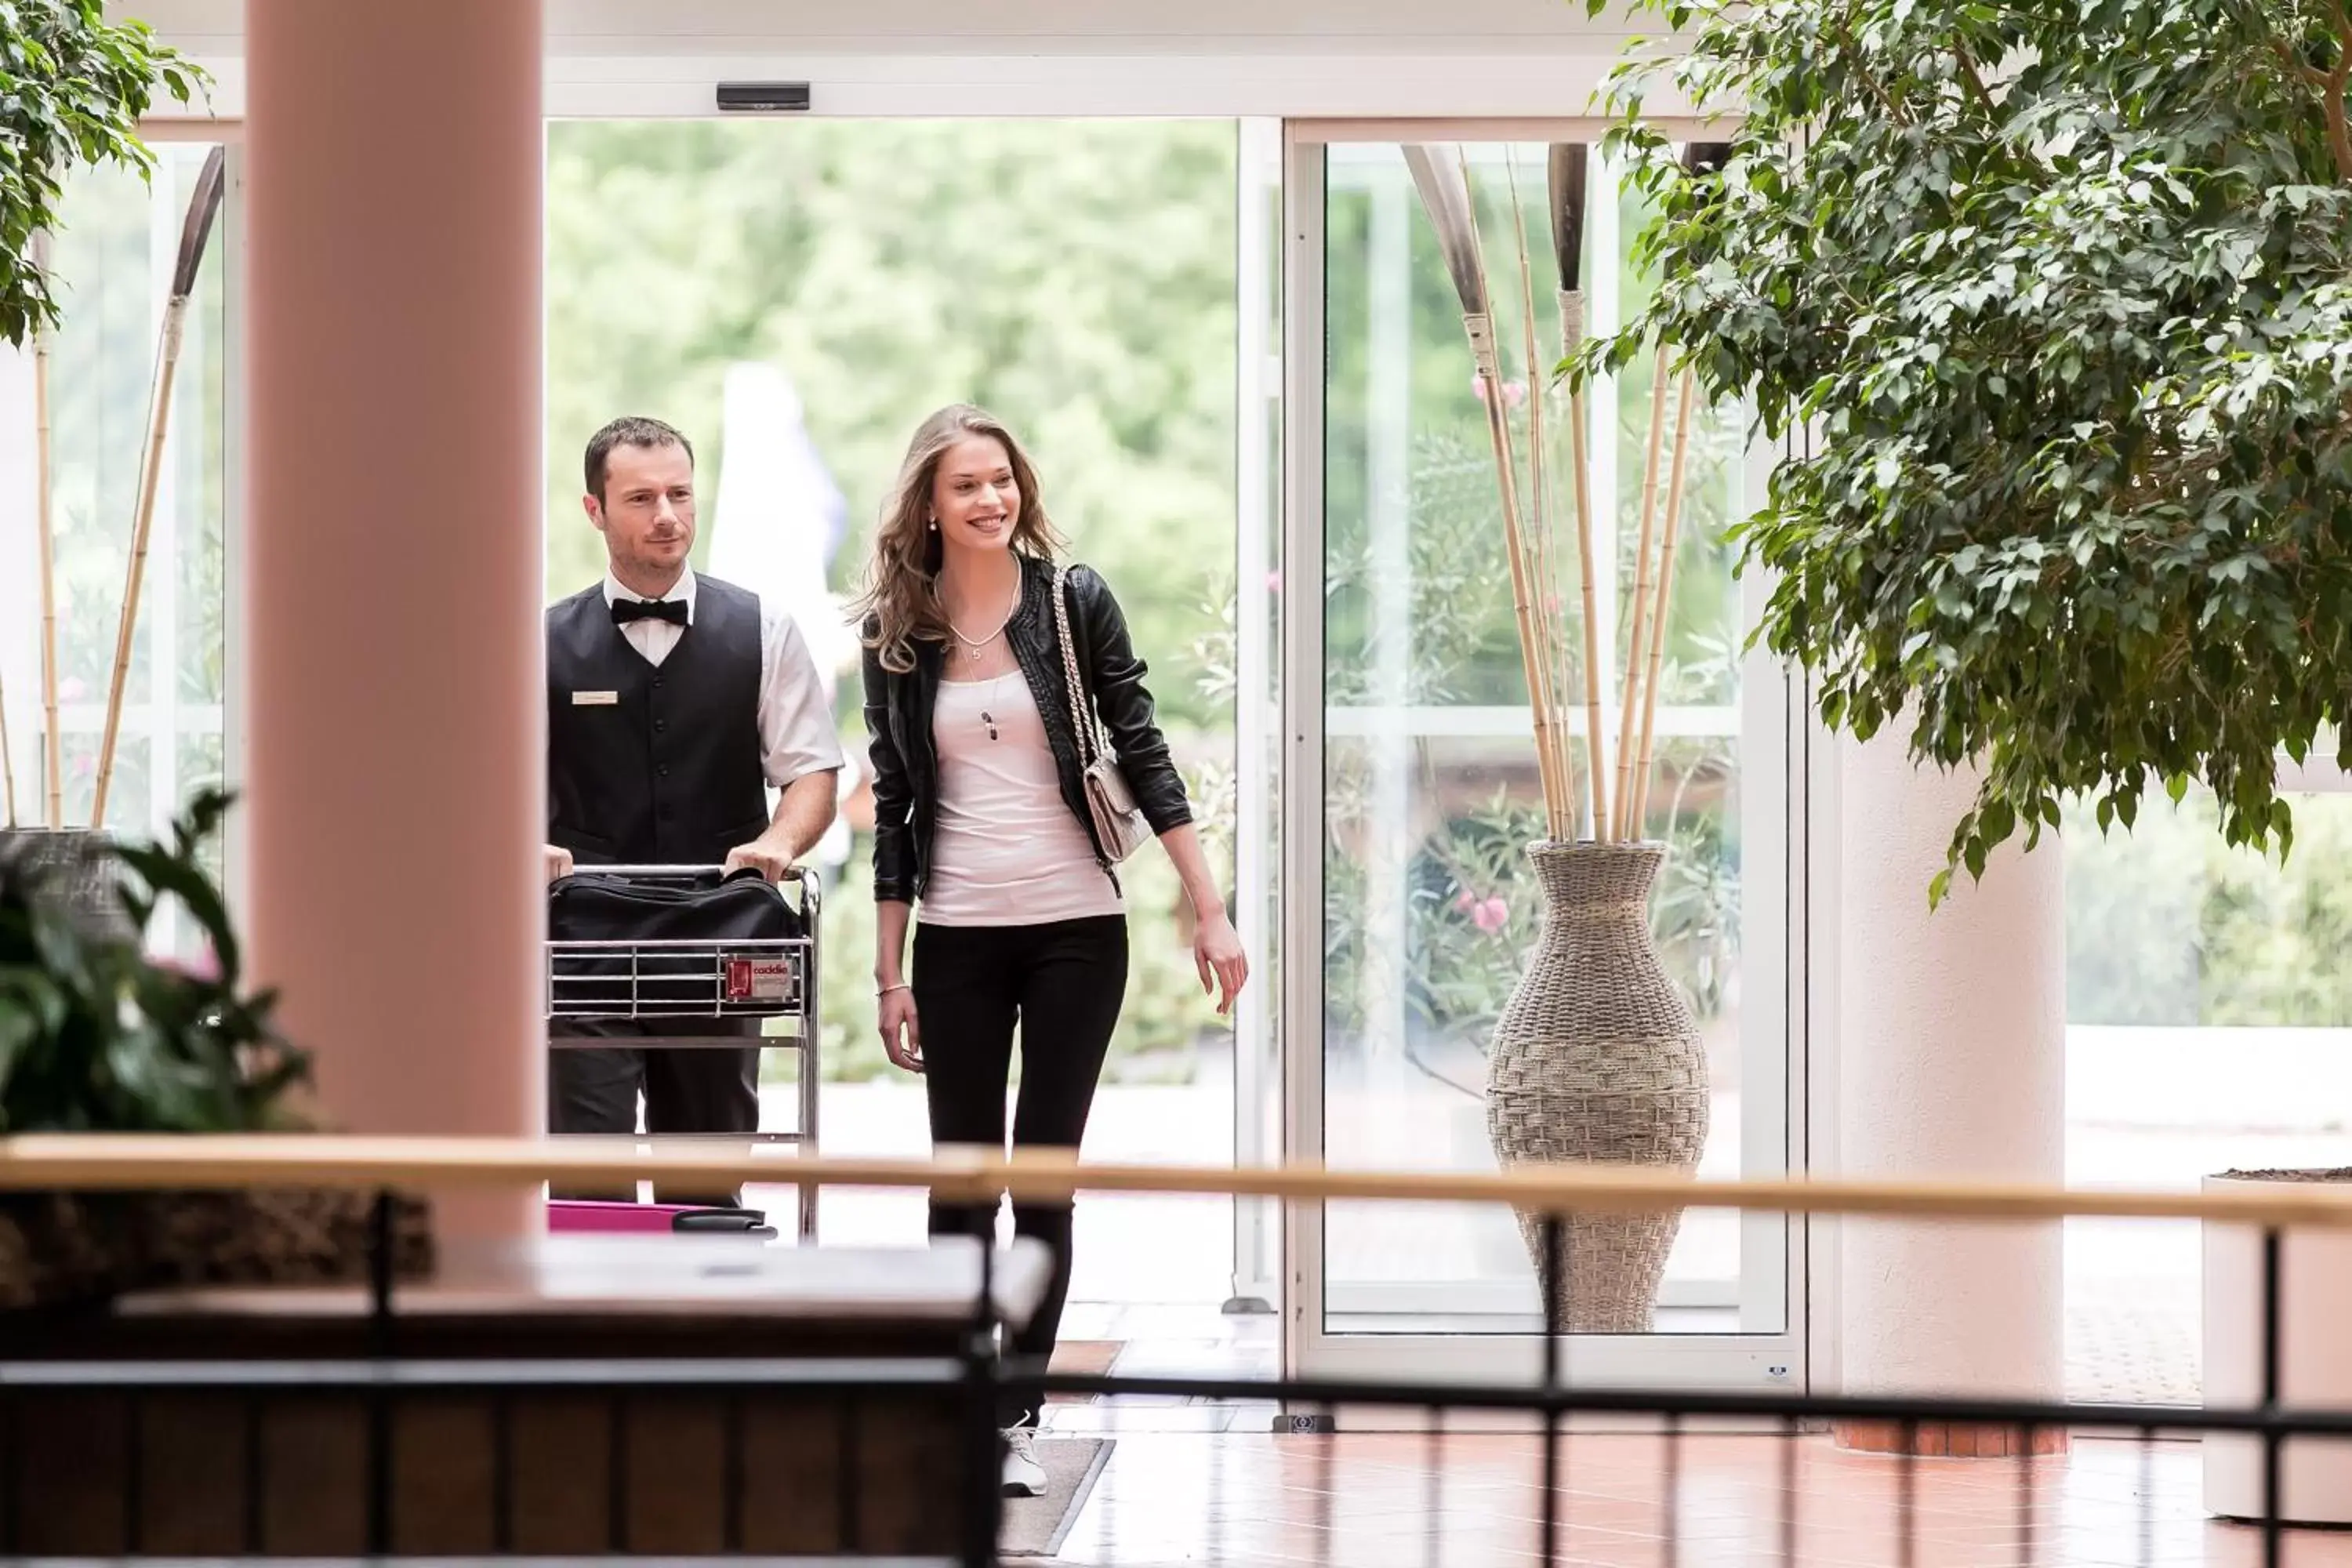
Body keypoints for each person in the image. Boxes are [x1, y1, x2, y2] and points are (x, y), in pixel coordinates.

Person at [854, 404, 1248, 1497]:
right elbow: (892, 807)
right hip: (959, 937)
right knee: (959, 1186)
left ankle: (1020, 1411)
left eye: (1002, 480)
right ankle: (959, 1407)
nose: (991, 500)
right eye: (966, 485)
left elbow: (1143, 747)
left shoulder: (1074, 602)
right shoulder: (897, 635)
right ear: (927, 506)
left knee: (1043, 1183)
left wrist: (1207, 908)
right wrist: (890, 971)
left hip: (1078, 928)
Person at [545, 416, 843, 1200]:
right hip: (581, 941)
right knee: (586, 1168)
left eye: (680, 493)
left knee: (708, 1174)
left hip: (721, 932)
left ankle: (700, 1315)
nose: (668, 515)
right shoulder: (537, 641)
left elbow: (811, 770)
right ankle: (593, 1312)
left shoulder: (765, 629)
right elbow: (494, 781)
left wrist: (779, 840)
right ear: (594, 509)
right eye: (641, 497)